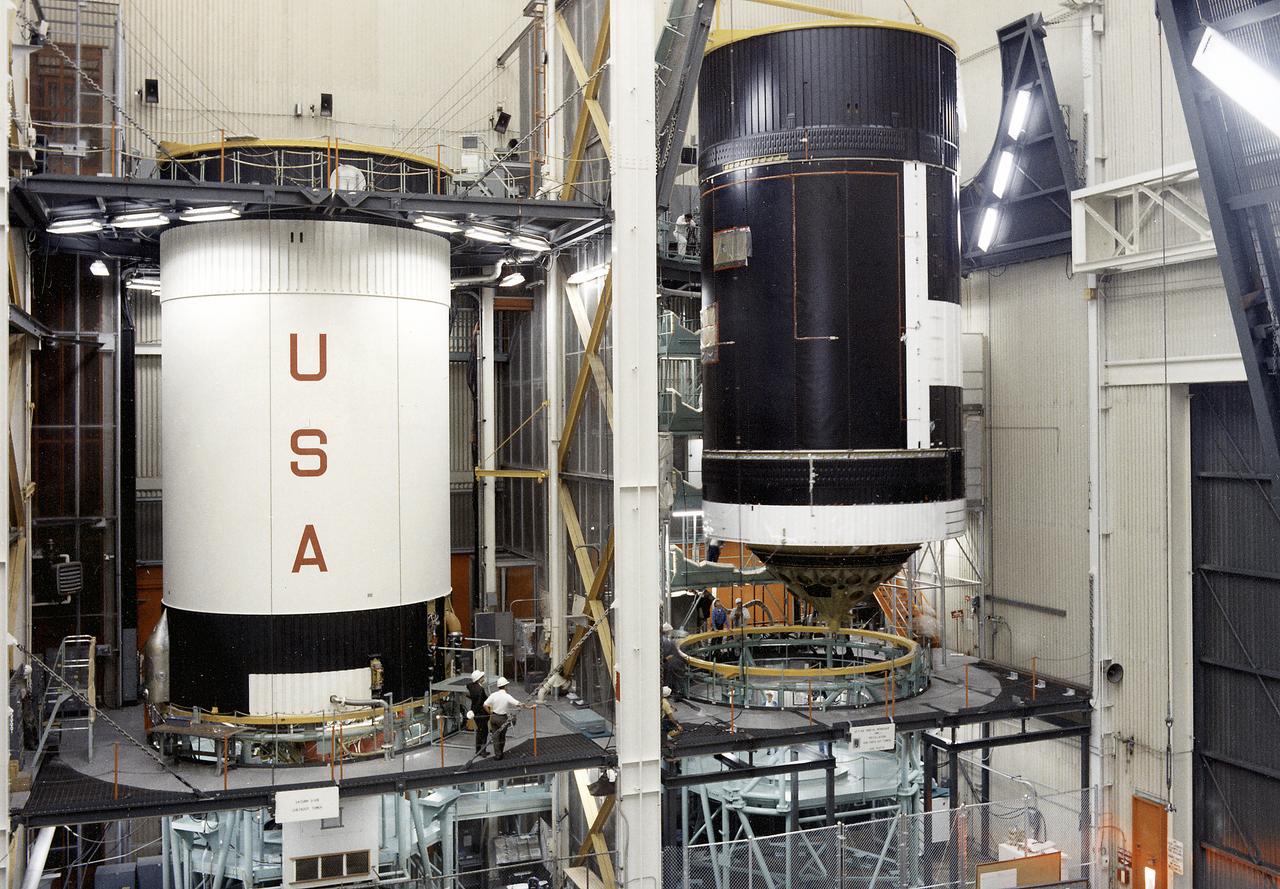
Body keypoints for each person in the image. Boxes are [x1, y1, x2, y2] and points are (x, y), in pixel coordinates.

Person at [483, 676, 523, 760]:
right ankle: (500, 753)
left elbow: (485, 705)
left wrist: (490, 713)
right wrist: (529, 707)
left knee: (495, 737)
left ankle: (497, 755)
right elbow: (518, 704)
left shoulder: (493, 695)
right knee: (502, 737)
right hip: (502, 719)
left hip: (494, 717)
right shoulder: (507, 696)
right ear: (505, 686)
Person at [465, 669, 489, 755]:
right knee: (484, 732)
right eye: (482, 677)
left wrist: (473, 712)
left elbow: (469, 688)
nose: (483, 678)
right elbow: (479, 702)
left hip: (475, 713)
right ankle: (483, 751)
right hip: (481, 713)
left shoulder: (471, 686)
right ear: (479, 679)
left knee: (479, 731)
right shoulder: (480, 689)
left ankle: (478, 750)